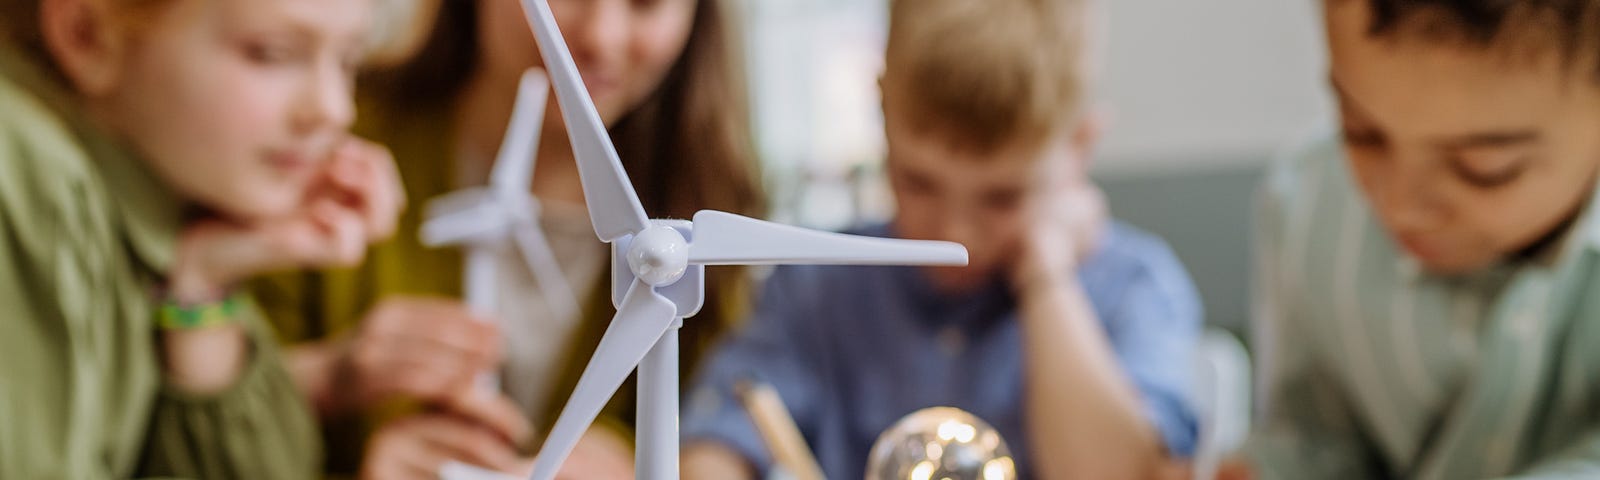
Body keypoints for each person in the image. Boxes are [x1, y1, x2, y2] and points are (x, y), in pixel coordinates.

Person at [678, 0, 1201, 478]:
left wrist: (1047, 274)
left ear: (1079, 147)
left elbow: (1120, 473)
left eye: (1003, 198)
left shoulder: (1135, 288)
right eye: (919, 183)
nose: (955, 233)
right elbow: (714, 442)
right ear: (882, 114)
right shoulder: (814, 282)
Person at [250, 0, 765, 476]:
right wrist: (330, 394)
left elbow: (735, 416)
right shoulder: (317, 147)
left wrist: (641, 461)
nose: (600, 37)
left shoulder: (712, 213)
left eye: (646, 1)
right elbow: (203, 413)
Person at [0, 0, 404, 477]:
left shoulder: (174, 196)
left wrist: (207, 285)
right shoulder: (30, 173)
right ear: (87, 35)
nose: (335, 110)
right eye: (270, 54)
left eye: (348, 60)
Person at [1231, 0, 1600, 478]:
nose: (1399, 206)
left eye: (1484, 169)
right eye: (1360, 131)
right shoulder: (1304, 207)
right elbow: (1314, 435)